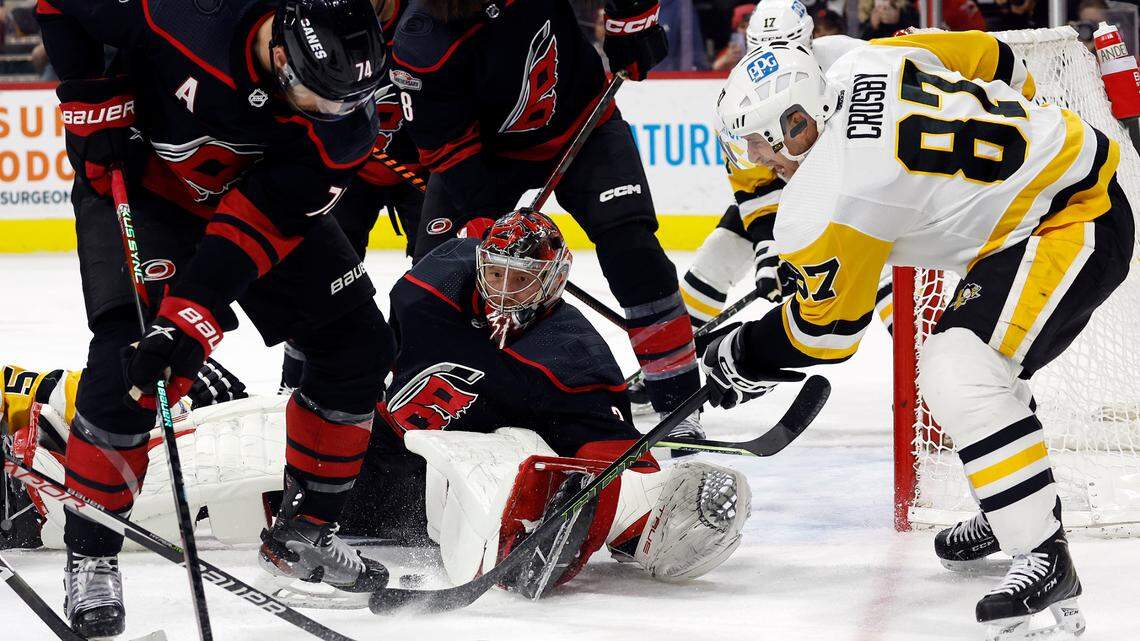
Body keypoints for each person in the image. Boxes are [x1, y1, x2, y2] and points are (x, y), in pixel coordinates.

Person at [3, 211, 754, 602]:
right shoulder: (431, 285)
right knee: (200, 446)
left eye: (521, 279)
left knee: (212, 501)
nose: (500, 288)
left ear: (553, 285)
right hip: (354, 429)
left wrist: (589, 516)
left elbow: (604, 451)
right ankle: (37, 474)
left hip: (412, 480)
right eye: (494, 268)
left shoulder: (575, 361)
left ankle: (38, 494)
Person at [711, 33, 1131, 640]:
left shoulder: (845, 189)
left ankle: (1043, 553)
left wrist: (744, 353)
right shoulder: (867, 58)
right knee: (981, 366)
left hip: (1075, 218)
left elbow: (828, 334)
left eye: (761, 142)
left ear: (798, 120)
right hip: (1053, 198)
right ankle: (1009, 502)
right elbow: (994, 58)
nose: (759, 159)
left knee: (960, 365)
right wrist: (1030, 130)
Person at [35, 0, 394, 634]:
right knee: (132, 357)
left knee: (357, 344)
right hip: (142, 188)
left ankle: (305, 531)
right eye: (325, 98)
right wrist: (88, 95)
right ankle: (90, 556)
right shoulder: (180, 13)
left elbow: (253, 228)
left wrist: (191, 320)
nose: (341, 115)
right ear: (281, 58)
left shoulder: (343, 127)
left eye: (351, 99)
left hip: (246, 206)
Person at [390, 0, 705, 437]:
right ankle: (420, 394)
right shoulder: (420, 44)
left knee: (634, 253)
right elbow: (448, 151)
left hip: (584, 126)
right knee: (439, 270)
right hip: (486, 159)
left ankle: (679, 403)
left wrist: (633, 21)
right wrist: (480, 223)